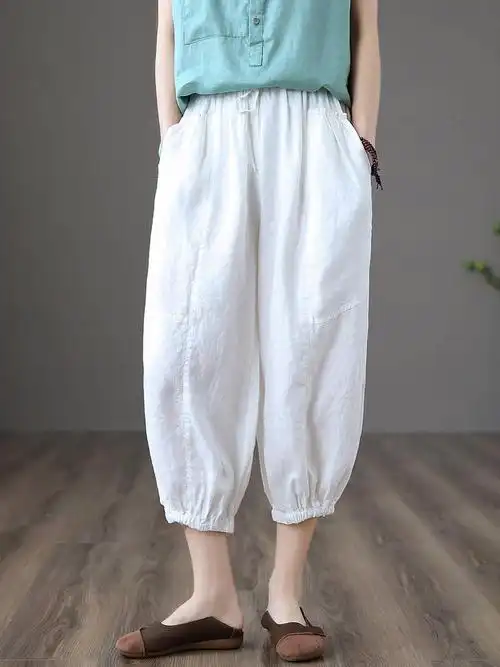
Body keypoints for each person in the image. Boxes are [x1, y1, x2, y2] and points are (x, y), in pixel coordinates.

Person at [116, 0, 381, 661]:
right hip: (206, 133)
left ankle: (286, 595)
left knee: (312, 346)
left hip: (314, 131)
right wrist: (174, 141)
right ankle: (212, 595)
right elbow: (167, 28)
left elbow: (365, 29)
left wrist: (361, 145)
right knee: (185, 348)